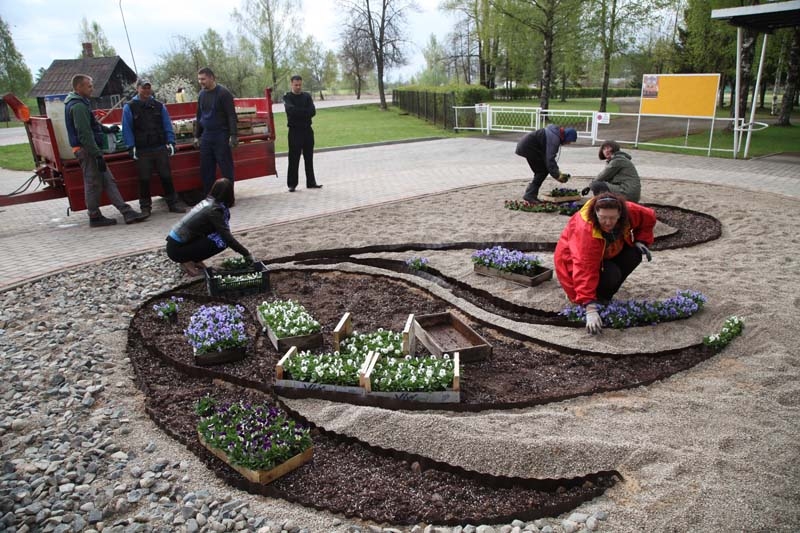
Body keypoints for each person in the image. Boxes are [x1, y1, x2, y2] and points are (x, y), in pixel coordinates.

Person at [554, 192, 656, 335]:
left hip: (608, 251)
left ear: (620, 213)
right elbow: (584, 267)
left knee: (634, 254)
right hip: (573, 261)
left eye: (613, 218)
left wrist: (642, 240)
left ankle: (604, 296)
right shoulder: (586, 230)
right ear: (596, 213)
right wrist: (590, 308)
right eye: (603, 218)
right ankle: (596, 297)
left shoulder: (629, 211)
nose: (608, 222)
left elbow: (648, 216)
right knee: (611, 274)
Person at [64, 74, 146, 227]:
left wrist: (107, 130)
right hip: (87, 150)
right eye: (89, 86)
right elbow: (84, 133)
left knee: (108, 181)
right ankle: (95, 216)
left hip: (89, 149)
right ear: (79, 87)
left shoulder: (81, 103)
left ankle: (126, 212)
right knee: (93, 183)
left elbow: (92, 124)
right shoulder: (78, 106)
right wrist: (97, 155)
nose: (92, 88)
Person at [122, 78, 188, 217]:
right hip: (142, 150)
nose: (146, 90)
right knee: (144, 179)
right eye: (143, 88)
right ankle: (145, 208)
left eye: (148, 88)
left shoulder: (159, 106)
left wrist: (171, 141)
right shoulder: (129, 107)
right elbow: (127, 128)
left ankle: (173, 204)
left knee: (166, 177)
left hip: (159, 148)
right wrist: (130, 146)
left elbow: (167, 124)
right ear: (137, 88)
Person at [165, 178, 253, 276]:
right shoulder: (214, 210)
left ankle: (195, 260)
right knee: (221, 241)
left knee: (214, 235)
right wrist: (246, 254)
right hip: (177, 250)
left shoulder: (208, 201)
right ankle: (187, 261)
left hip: (176, 245)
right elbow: (227, 237)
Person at [192, 67, 238, 197]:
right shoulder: (201, 94)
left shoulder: (223, 94)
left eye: (203, 79)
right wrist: (197, 136)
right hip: (207, 136)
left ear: (212, 78)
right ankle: (209, 197)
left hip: (221, 135)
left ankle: (229, 197)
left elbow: (231, 115)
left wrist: (233, 135)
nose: (201, 82)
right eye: (199, 79)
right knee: (206, 169)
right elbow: (199, 115)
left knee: (226, 168)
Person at [515, 125, 577, 203]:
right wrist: (557, 175)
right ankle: (530, 195)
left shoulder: (556, 134)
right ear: (566, 137)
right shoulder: (554, 139)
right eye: (569, 141)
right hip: (528, 147)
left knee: (542, 170)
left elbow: (548, 159)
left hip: (528, 146)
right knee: (542, 171)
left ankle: (530, 192)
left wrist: (557, 172)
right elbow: (550, 159)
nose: (569, 143)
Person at [283, 75, 322, 192]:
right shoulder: (287, 97)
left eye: (300, 84)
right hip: (295, 131)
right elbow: (291, 111)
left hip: (307, 131)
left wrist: (300, 112)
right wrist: (305, 112)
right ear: (291, 84)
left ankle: (311, 182)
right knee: (294, 158)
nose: (298, 87)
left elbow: (313, 111)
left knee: (309, 157)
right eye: (296, 85)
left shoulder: (307, 96)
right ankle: (292, 184)